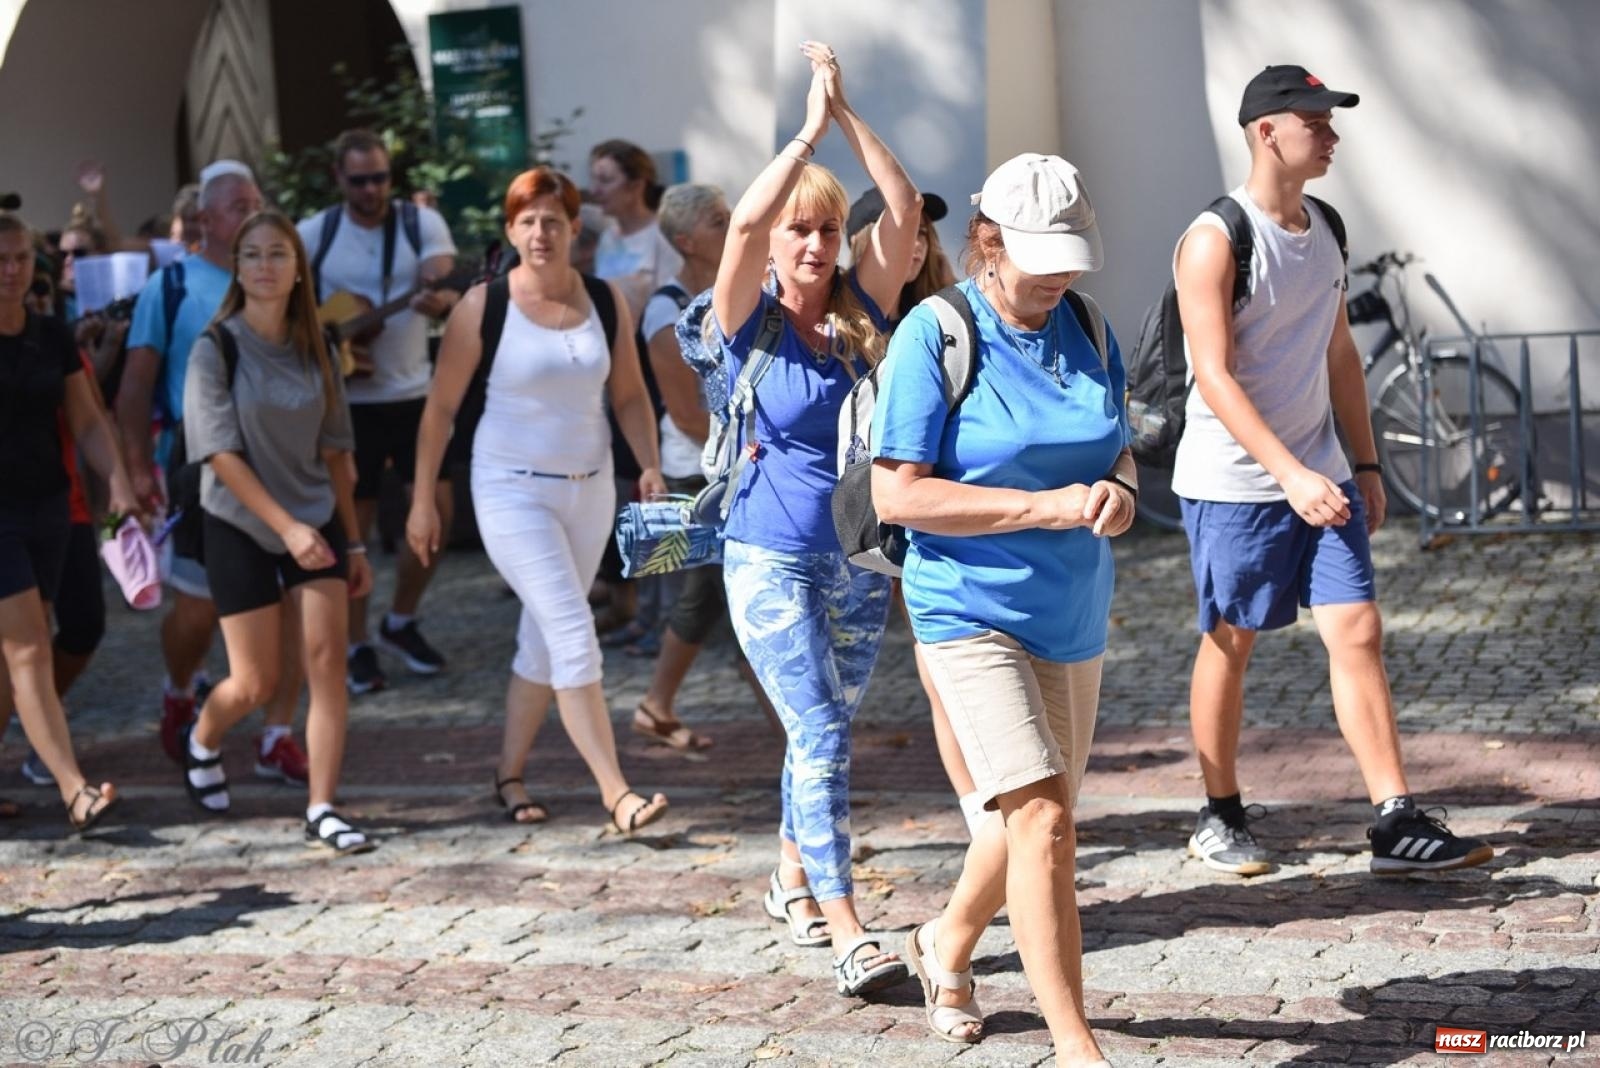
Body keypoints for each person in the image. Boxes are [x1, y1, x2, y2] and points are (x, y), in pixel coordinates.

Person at [1172, 65, 1493, 877]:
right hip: (1236, 484)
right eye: (1316, 121)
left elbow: (1339, 350)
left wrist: (1364, 460)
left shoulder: (1327, 226)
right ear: (1267, 131)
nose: (1332, 135)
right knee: (1231, 640)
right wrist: (1287, 475)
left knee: (1357, 630)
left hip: (1321, 469)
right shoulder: (1214, 238)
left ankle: (1394, 818)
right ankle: (1219, 812)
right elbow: (1213, 375)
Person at [872, 155, 1130, 1062]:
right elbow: (897, 496)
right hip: (966, 609)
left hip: (1073, 611)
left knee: (1022, 819)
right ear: (988, 241)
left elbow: (1116, 451)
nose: (1060, 275)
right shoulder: (933, 334)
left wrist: (1119, 495)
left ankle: (945, 943)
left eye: (1071, 255)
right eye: (1040, 256)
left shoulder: (1091, 326)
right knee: (1047, 824)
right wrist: (1042, 508)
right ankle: (1076, 1045)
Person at [713, 41, 920, 997]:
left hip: (859, 559)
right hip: (765, 556)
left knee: (822, 729)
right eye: (799, 233)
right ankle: (848, 929)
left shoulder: (856, 314)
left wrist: (848, 119)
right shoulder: (744, 319)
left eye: (826, 233)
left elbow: (908, 209)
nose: (810, 246)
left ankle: (789, 878)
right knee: (825, 735)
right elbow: (746, 216)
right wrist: (803, 130)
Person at [406, 167, 669, 834]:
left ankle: (508, 773)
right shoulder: (482, 305)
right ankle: (617, 792)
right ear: (510, 230)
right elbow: (439, 410)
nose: (540, 232)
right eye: (526, 221)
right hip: (509, 491)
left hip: (591, 491)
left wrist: (649, 466)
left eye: (552, 220)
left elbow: (631, 397)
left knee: (543, 643)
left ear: (575, 228)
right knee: (574, 633)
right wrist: (421, 501)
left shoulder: (607, 299)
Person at [179, 210, 375, 854]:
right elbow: (220, 456)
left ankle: (322, 805)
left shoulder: (318, 345)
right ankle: (203, 740)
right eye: (252, 255)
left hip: (314, 519)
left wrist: (350, 543)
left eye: (278, 255)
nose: (265, 266)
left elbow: (338, 455)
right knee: (255, 682)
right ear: (237, 269)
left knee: (325, 664)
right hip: (240, 522)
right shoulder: (216, 348)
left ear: (298, 271)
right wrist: (287, 528)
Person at [118, 160, 310, 784]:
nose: (252, 212)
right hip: (199, 464)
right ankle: (181, 686)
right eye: (238, 206)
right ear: (206, 219)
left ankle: (277, 735)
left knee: (290, 604)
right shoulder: (170, 287)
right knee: (197, 612)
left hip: (280, 459)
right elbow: (134, 386)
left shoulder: (279, 278)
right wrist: (135, 470)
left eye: (257, 201)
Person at [298, 128, 461, 696]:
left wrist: (439, 296)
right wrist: (324, 335)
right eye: (359, 178)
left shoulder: (419, 225)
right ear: (339, 178)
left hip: (415, 393)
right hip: (347, 402)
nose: (371, 188)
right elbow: (290, 310)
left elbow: (445, 277)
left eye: (380, 177)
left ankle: (401, 620)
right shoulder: (315, 233)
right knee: (354, 526)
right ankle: (355, 642)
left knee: (435, 512)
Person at [0, 210, 137, 831]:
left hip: (49, 507)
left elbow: (86, 420)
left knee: (14, 655)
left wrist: (120, 481)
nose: (10, 272)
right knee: (28, 648)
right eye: (0, 261)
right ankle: (74, 787)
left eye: (21, 260)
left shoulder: (53, 335)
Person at [631, 183, 777, 751]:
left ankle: (658, 704)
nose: (733, 223)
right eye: (720, 220)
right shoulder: (664, 313)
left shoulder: (742, 289)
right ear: (688, 241)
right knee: (709, 594)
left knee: (720, 593)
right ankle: (660, 703)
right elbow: (688, 414)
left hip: (745, 461)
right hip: (699, 470)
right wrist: (751, 449)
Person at [587, 139, 685, 646]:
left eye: (605, 179)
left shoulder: (659, 239)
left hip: (653, 373)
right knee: (626, 487)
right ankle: (634, 604)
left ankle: (663, 616)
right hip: (611, 373)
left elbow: (671, 313)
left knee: (653, 488)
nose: (595, 189)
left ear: (636, 183)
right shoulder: (607, 238)